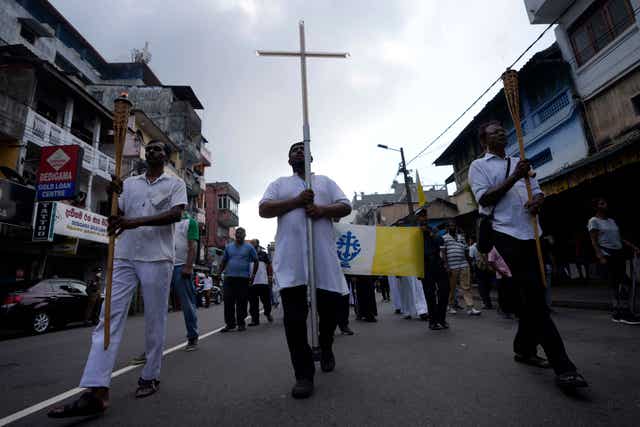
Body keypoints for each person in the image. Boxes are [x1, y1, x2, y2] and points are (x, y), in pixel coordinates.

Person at [48, 140, 187, 418]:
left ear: (167, 157)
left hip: (157, 258)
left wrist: (134, 223)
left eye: (159, 149)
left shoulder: (175, 184)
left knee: (154, 320)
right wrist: (114, 197)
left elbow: (175, 214)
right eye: (150, 148)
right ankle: (97, 390)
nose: (153, 152)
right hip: (123, 255)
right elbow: (117, 215)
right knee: (107, 318)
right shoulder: (130, 183)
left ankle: (150, 376)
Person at [469, 120, 587, 389]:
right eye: (494, 131)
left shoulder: (520, 161)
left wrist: (537, 201)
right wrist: (513, 176)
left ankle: (523, 347)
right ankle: (563, 366)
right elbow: (485, 199)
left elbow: (538, 191)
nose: (502, 133)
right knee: (535, 299)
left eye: (503, 129)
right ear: (484, 141)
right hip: (505, 235)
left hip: (531, 235)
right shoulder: (480, 166)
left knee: (530, 298)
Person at [259, 141, 352, 399]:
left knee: (330, 311)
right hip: (292, 263)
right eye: (294, 150)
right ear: (289, 160)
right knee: (295, 320)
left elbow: (345, 206)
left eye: (303, 148)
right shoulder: (279, 184)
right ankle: (303, 374)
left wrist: (322, 209)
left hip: (323, 260)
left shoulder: (324, 182)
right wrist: (297, 202)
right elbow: (264, 209)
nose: (299, 152)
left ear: (312, 155)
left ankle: (326, 345)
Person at [588, 197, 640, 325]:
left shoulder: (611, 221)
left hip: (619, 254)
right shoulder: (593, 221)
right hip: (608, 254)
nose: (605, 205)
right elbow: (594, 241)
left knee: (624, 282)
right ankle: (618, 312)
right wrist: (600, 256)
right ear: (596, 207)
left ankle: (626, 311)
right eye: (602, 203)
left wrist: (633, 247)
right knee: (617, 283)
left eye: (605, 202)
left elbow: (619, 237)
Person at [218, 228, 258, 332]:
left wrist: (253, 275)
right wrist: (218, 273)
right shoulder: (229, 247)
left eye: (241, 233)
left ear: (245, 235)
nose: (239, 234)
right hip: (229, 277)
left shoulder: (249, 247)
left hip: (243, 278)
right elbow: (224, 261)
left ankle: (241, 323)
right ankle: (230, 324)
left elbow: (256, 261)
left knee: (241, 301)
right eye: (237, 233)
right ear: (235, 235)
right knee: (228, 301)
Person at [416, 210, 450, 330]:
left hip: (437, 262)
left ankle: (442, 318)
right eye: (420, 216)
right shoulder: (414, 233)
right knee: (430, 295)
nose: (423, 218)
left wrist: (430, 232)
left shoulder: (432, 229)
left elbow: (440, 242)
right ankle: (433, 321)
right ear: (417, 219)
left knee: (445, 290)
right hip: (425, 265)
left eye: (424, 216)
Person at [173, 210, 200, 350]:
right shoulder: (167, 220)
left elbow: (193, 246)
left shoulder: (190, 222)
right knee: (156, 306)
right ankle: (152, 344)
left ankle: (192, 336)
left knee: (187, 303)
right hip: (164, 265)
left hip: (181, 266)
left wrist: (188, 266)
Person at [443, 220, 481, 316]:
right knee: (451, 288)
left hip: (464, 264)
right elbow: (443, 253)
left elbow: (466, 250)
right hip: (452, 266)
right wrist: (446, 266)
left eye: (454, 225)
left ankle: (470, 307)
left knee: (466, 286)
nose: (453, 227)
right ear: (447, 228)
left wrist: (469, 263)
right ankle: (450, 306)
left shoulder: (461, 237)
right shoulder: (444, 238)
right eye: (450, 226)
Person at [248, 239, 274, 325]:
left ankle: (267, 313)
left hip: (263, 281)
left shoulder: (263, 254)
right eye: (251, 243)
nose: (251, 244)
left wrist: (270, 276)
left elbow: (269, 265)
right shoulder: (248, 254)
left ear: (257, 244)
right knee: (253, 302)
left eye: (253, 243)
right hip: (252, 282)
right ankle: (255, 320)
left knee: (266, 301)